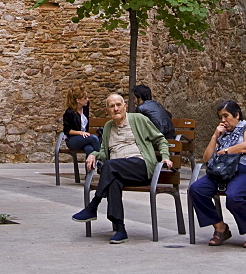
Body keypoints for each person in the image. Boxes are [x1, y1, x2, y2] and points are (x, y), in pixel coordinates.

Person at [71, 92, 172, 244]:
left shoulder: (139, 119)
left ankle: (94, 205)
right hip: (118, 170)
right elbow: (105, 151)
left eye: (119, 105)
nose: (116, 109)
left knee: (110, 167)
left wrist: (165, 156)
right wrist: (94, 154)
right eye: (112, 106)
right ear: (107, 111)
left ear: (125, 106)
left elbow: (160, 139)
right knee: (114, 181)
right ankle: (120, 229)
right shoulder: (108, 127)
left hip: (140, 166)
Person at [187, 98, 246, 249]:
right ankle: (220, 227)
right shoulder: (223, 134)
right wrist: (214, 137)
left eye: (226, 116)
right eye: (220, 117)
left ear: (237, 115)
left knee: (234, 196)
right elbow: (206, 158)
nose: (223, 120)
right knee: (196, 189)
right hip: (223, 173)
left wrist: (226, 151)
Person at [62, 85, 101, 158]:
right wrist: (81, 133)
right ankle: (102, 162)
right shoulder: (69, 113)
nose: (87, 100)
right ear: (78, 100)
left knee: (90, 149)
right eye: (85, 98)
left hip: (84, 138)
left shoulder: (85, 107)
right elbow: (67, 131)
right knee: (94, 138)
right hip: (72, 140)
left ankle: (90, 168)